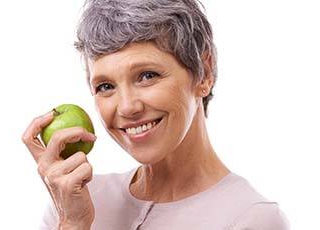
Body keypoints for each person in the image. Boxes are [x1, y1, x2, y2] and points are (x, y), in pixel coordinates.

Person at [22, 0, 290, 229]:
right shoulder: (75, 201)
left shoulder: (251, 218)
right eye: (105, 86)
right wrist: (72, 223)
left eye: (147, 76)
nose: (127, 107)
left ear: (204, 73)